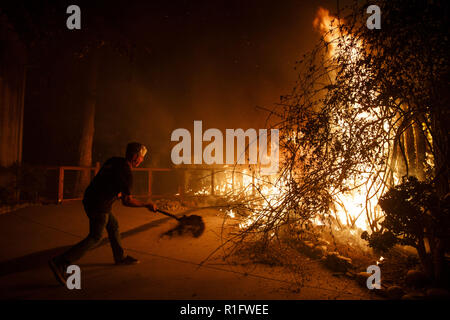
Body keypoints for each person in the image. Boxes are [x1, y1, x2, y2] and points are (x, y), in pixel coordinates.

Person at [49, 142, 157, 286]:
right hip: (99, 205)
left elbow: (107, 180)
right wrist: (146, 204)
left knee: (113, 225)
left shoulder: (113, 161)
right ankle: (61, 262)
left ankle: (120, 257)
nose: (142, 160)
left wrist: (115, 192)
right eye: (141, 157)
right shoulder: (127, 173)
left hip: (90, 198)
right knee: (95, 236)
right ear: (135, 156)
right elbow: (127, 201)